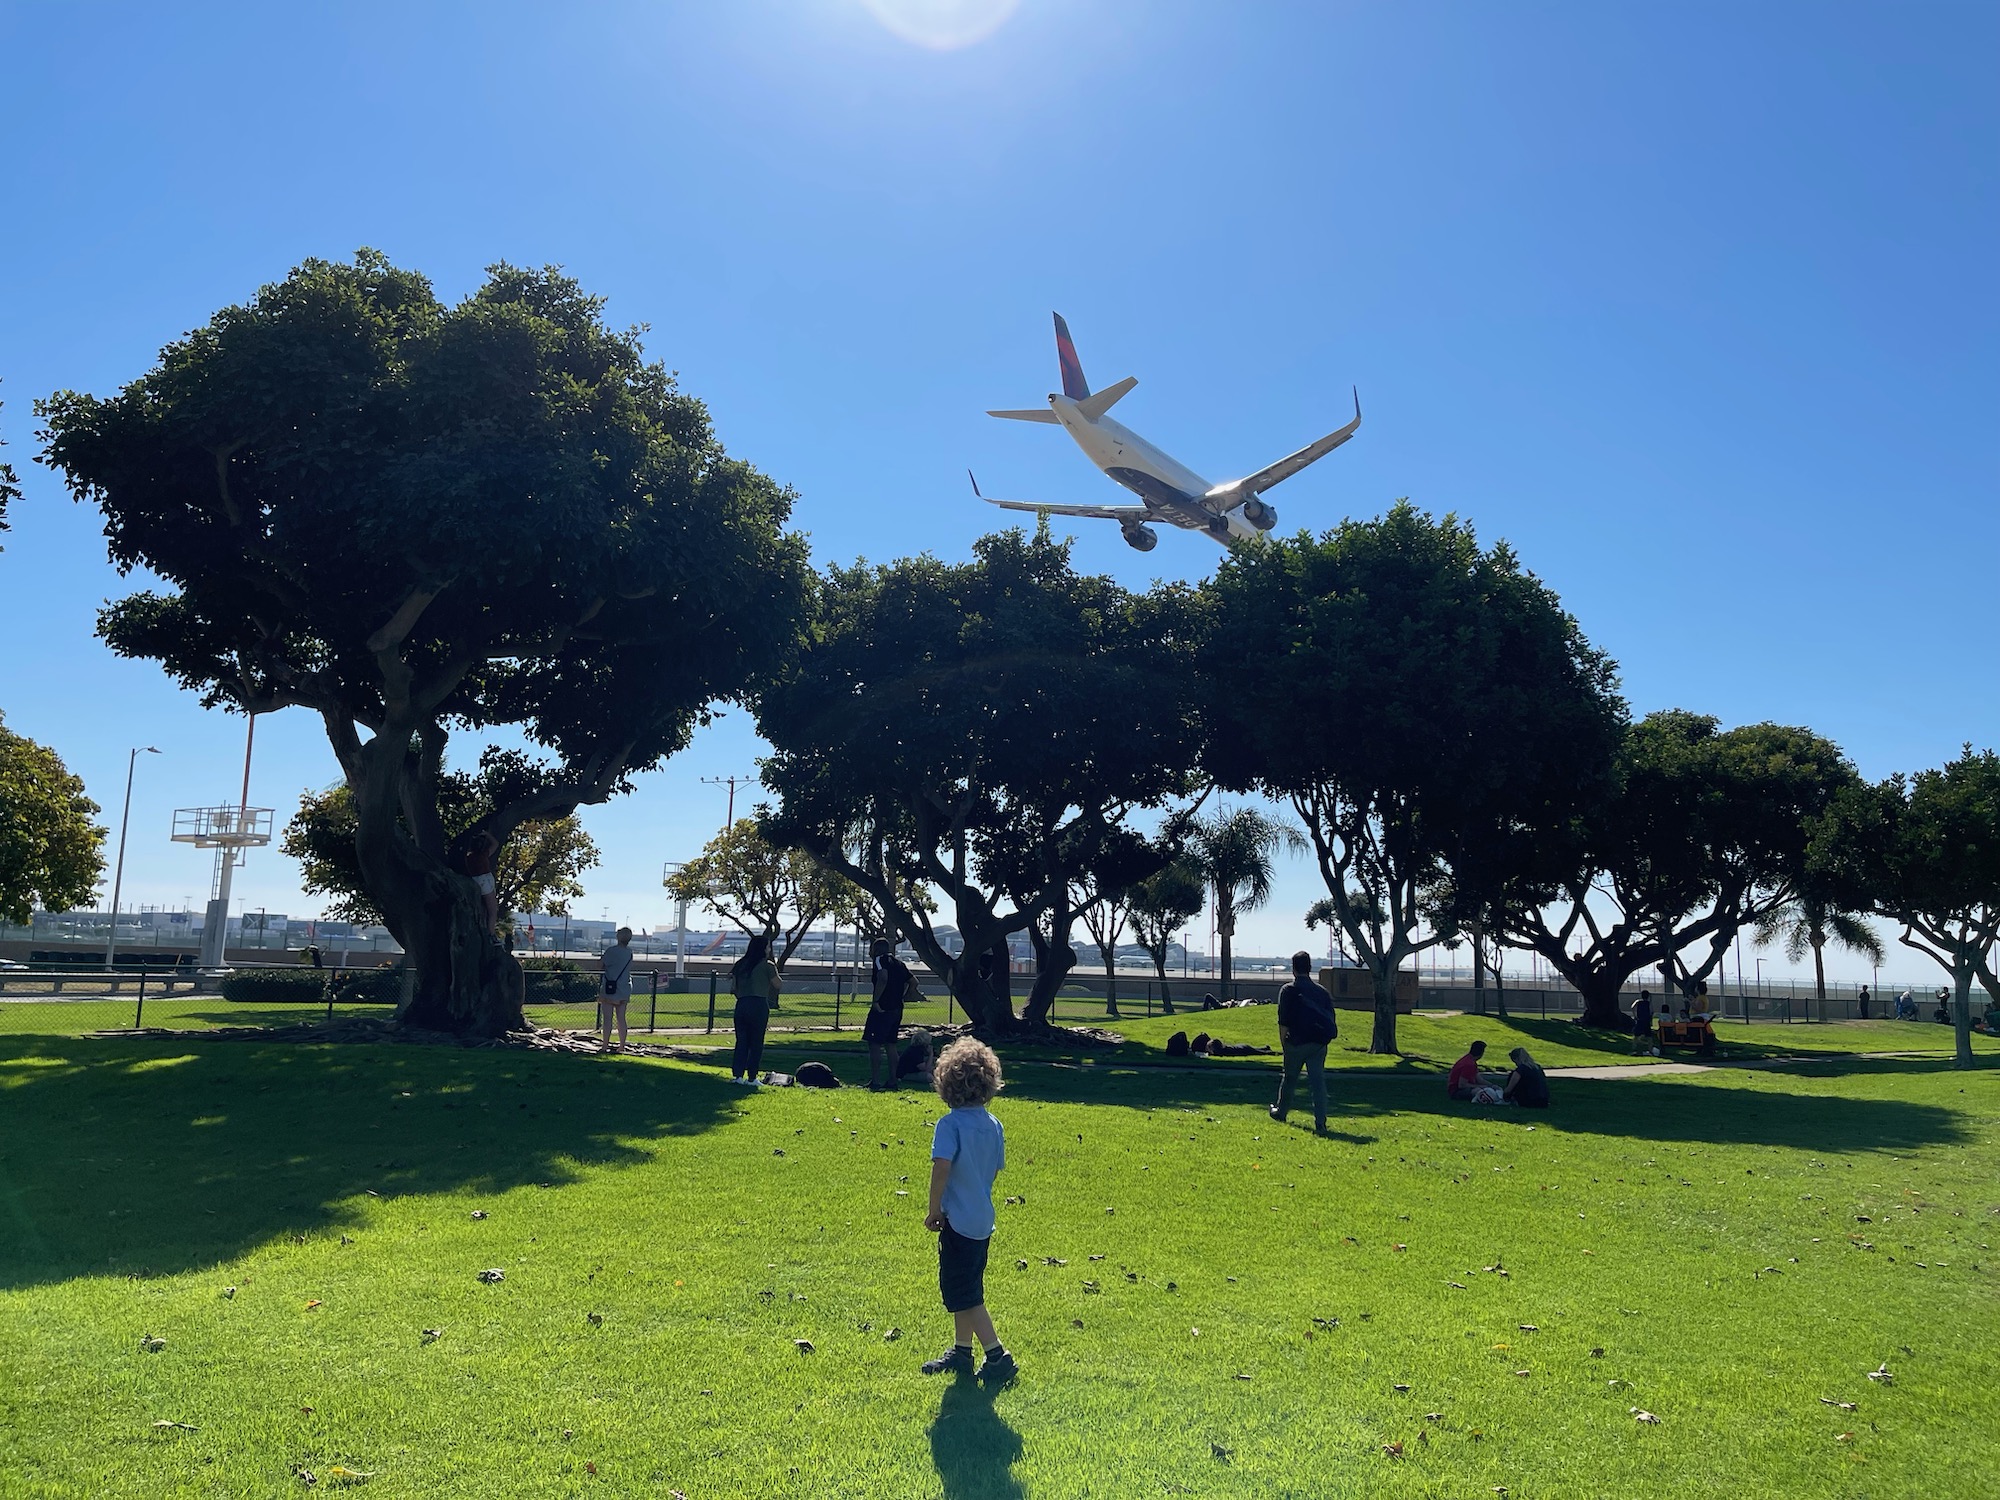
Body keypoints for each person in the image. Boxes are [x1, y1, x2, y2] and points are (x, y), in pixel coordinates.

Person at [921, 1038, 1018, 1388]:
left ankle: (997, 1356)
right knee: (968, 1286)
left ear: (947, 1084)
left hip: (958, 1220)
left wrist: (935, 1209)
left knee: (965, 1294)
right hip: (982, 1217)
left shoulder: (950, 1125)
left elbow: (941, 1167)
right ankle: (962, 1351)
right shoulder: (994, 1125)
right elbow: (993, 1171)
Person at [1269, 951, 1337, 1134]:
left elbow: (1283, 1021)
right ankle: (1320, 1122)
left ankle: (1281, 1112)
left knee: (1290, 1078)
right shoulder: (1322, 992)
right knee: (1317, 1082)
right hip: (1318, 1044)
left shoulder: (1288, 991)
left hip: (1296, 1043)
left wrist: (1284, 1044)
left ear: (1293, 969)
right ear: (1310, 968)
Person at [730, 933, 780, 1083]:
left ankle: (738, 1075)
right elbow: (778, 984)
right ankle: (752, 1077)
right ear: (764, 948)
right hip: (759, 1005)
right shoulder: (768, 965)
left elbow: (734, 988)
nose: (769, 949)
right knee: (756, 1042)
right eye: (768, 946)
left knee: (741, 1041)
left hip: (742, 1005)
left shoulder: (740, 964)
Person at [865, 937, 913, 1091]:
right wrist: (902, 996)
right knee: (891, 1044)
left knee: (875, 1044)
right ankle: (893, 1080)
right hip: (897, 1008)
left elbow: (883, 977)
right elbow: (914, 982)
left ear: (876, 949)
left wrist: (876, 1001)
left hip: (882, 1009)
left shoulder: (880, 960)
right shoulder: (900, 964)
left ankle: (876, 1081)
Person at [598, 926, 637, 1048]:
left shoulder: (611, 951)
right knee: (621, 1018)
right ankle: (622, 1046)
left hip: (610, 988)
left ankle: (605, 1045)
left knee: (607, 1019)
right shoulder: (629, 953)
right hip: (624, 987)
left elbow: (600, 965)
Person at [458, 831, 500, 935]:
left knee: (486, 909)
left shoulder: (467, 858)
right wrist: (487, 834)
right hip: (484, 881)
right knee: (493, 912)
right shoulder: (483, 855)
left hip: (476, 880)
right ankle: (491, 934)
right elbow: (495, 844)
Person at [1631, 990, 1656, 1056]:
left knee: (1636, 1036)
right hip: (1646, 1021)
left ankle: (1634, 1048)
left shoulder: (1638, 1001)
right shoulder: (1649, 1003)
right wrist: (1651, 1019)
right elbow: (1652, 1011)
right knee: (1649, 1037)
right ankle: (1650, 1051)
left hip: (1640, 1020)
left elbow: (1632, 1007)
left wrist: (1635, 1016)